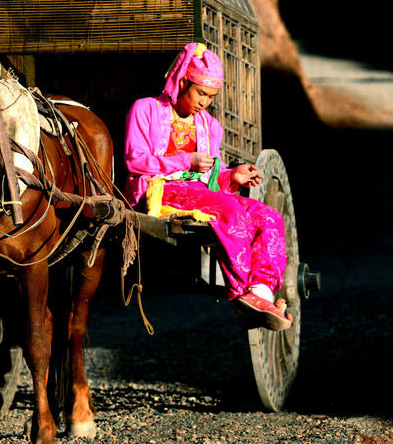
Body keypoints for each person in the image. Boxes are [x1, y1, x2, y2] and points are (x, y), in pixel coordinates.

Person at [123, 42, 292, 331]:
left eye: (211, 97)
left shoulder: (210, 126)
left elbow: (213, 181)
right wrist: (185, 159)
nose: (205, 102)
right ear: (183, 81)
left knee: (269, 216)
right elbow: (134, 161)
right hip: (160, 190)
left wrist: (232, 176)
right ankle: (240, 291)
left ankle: (261, 290)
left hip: (201, 195)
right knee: (231, 212)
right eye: (201, 93)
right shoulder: (146, 109)